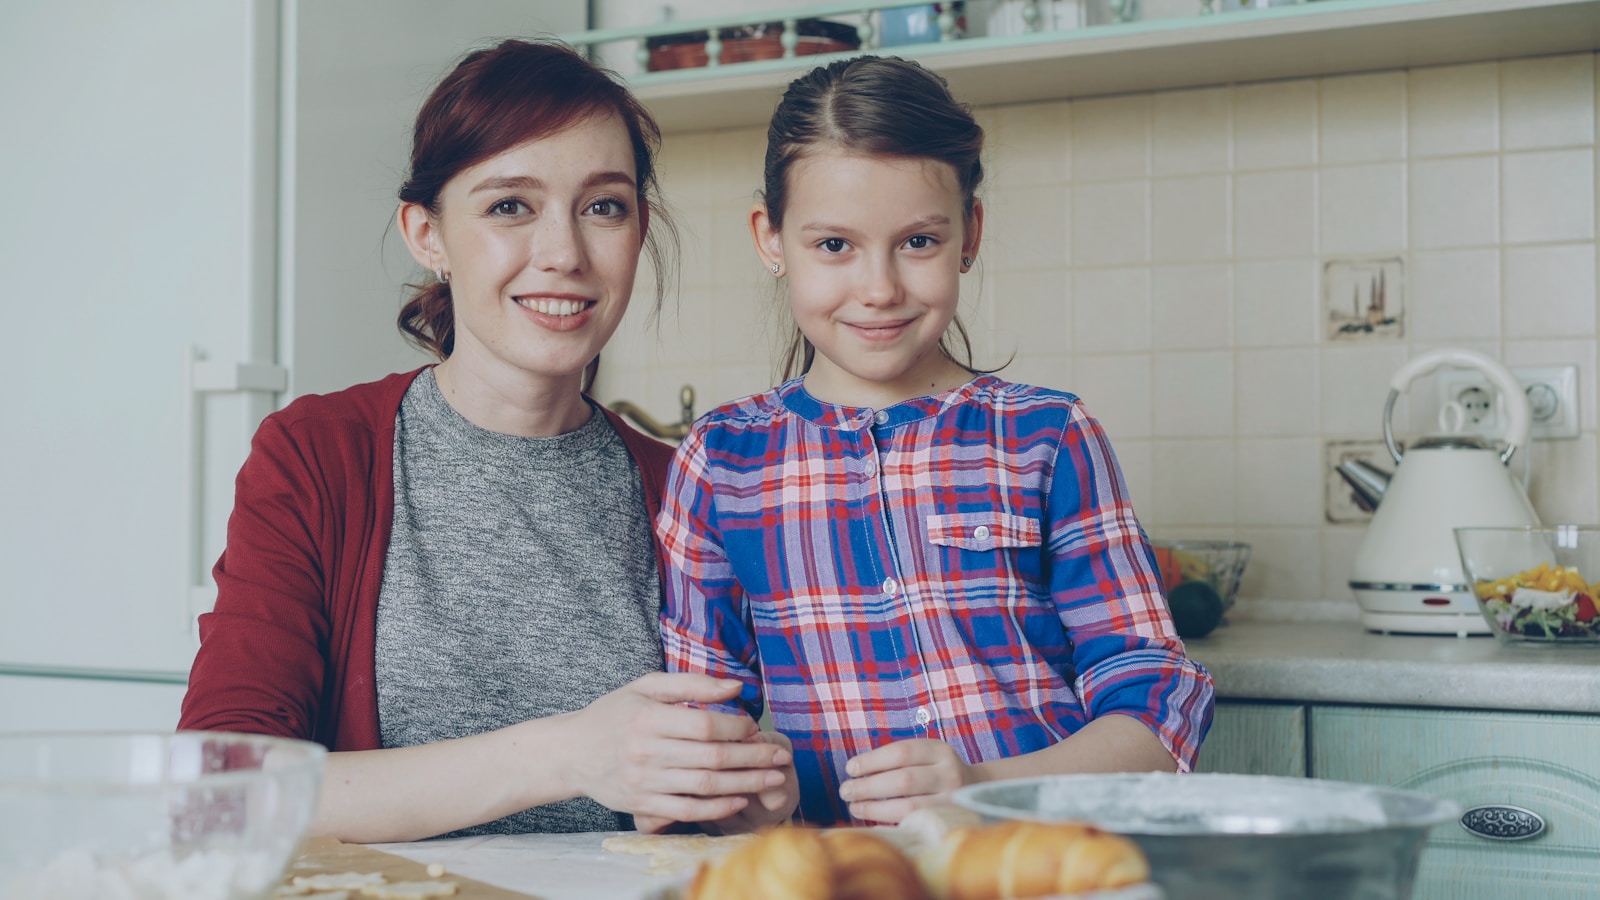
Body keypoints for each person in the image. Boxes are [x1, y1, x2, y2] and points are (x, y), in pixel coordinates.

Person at [179, 38, 795, 843]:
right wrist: (566, 756)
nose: (565, 254)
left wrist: (748, 796)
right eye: (510, 205)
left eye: (603, 206)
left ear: (639, 231)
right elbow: (221, 795)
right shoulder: (317, 456)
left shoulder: (687, 488)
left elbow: (713, 801)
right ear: (426, 233)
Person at [655, 55, 1215, 828]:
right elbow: (701, 727)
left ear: (968, 234)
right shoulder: (720, 462)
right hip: (844, 876)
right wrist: (743, 800)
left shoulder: (1048, 435)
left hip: (1043, 866)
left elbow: (1159, 706)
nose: (879, 287)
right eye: (833, 246)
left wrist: (985, 788)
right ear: (771, 239)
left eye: (917, 241)